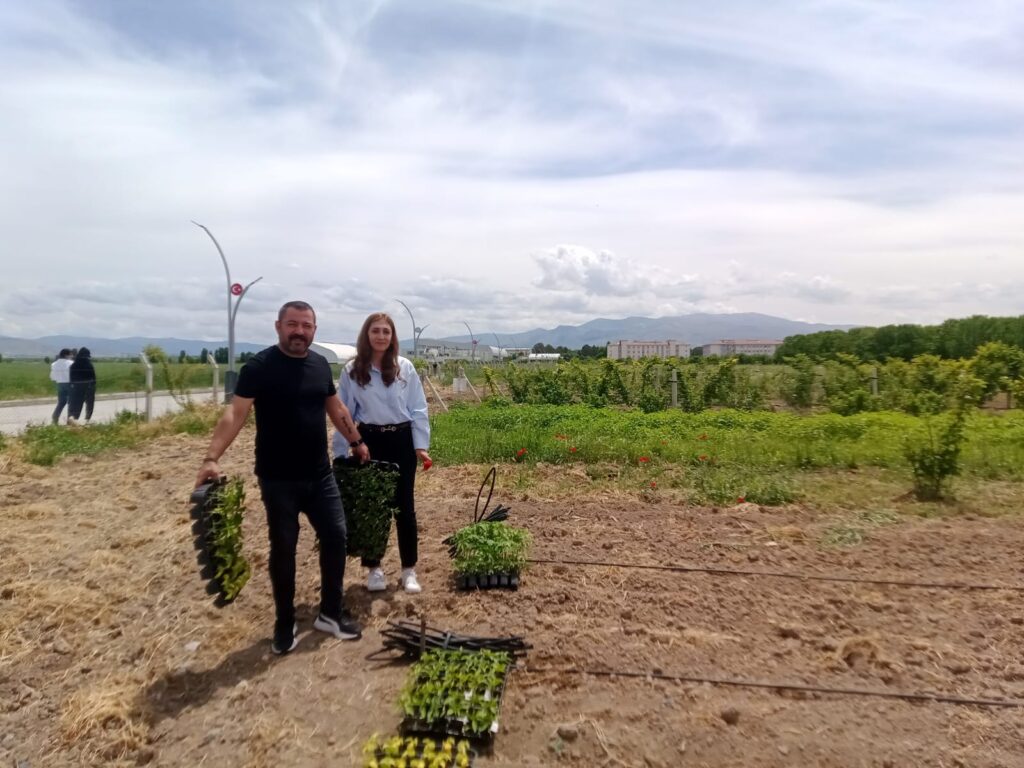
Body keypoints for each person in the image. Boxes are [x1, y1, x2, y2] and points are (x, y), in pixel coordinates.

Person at [194, 301, 370, 655]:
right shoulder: (259, 367)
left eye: (306, 325)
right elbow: (236, 413)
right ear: (278, 327)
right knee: (284, 549)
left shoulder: (319, 365)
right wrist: (211, 457)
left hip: (319, 474)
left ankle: (330, 612)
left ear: (314, 330)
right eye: (292, 324)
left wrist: (356, 441)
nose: (299, 331)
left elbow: (335, 407)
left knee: (336, 536)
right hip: (277, 479)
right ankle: (284, 621)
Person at [332, 312, 431, 594]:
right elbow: (343, 413)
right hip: (369, 441)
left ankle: (408, 569)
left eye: (386, 331)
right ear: (367, 334)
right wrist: (342, 451)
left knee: (404, 507)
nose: (381, 336)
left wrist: (420, 446)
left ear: (392, 337)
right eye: (375, 331)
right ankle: (374, 569)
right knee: (372, 507)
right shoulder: (352, 371)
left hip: (401, 439)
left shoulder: (404, 368)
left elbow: (418, 408)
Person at [67, 347, 96, 425]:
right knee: (89, 403)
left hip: (76, 386)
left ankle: (73, 418)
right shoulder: (89, 364)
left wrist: (72, 385)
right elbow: (93, 377)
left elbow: (71, 377)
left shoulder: (74, 365)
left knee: (77, 403)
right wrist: (93, 385)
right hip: (88, 386)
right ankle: (87, 419)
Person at [49, 349, 73, 424]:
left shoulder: (54, 364)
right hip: (70, 384)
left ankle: (55, 418)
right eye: (70, 355)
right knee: (71, 403)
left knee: (61, 402)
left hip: (60, 384)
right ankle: (70, 420)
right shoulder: (71, 363)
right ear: (66, 355)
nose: (71, 356)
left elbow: (52, 376)